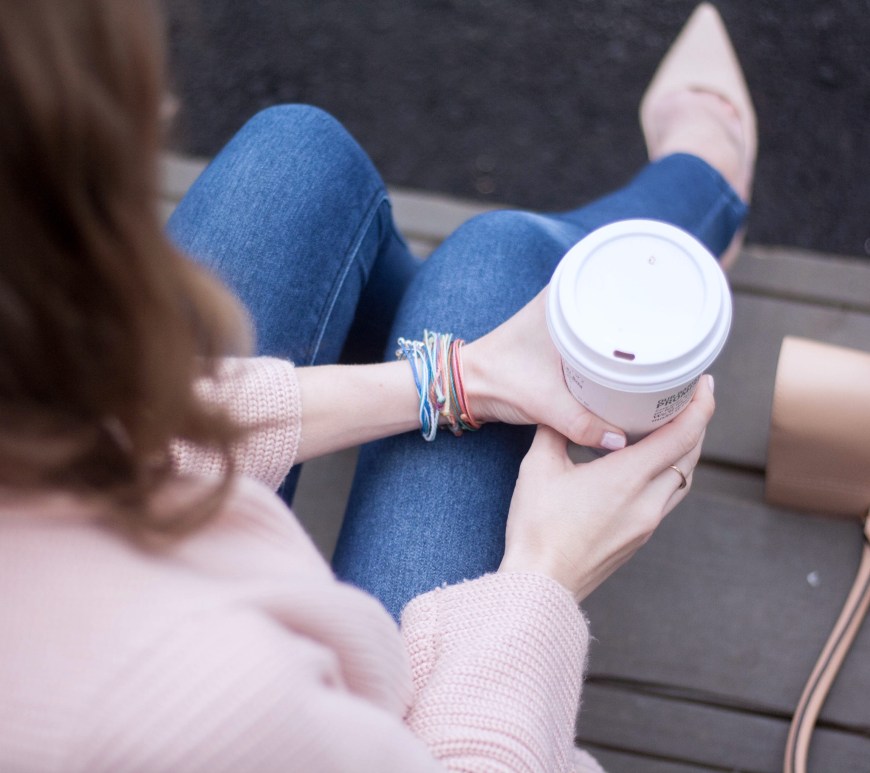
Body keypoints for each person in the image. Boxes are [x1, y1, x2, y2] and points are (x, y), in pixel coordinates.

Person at [0, 2, 753, 771]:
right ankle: (706, 179)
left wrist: (455, 378)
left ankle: (690, 197)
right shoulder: (196, 696)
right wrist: (547, 571)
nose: (163, 108)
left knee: (295, 155)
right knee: (496, 260)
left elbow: (108, 434)